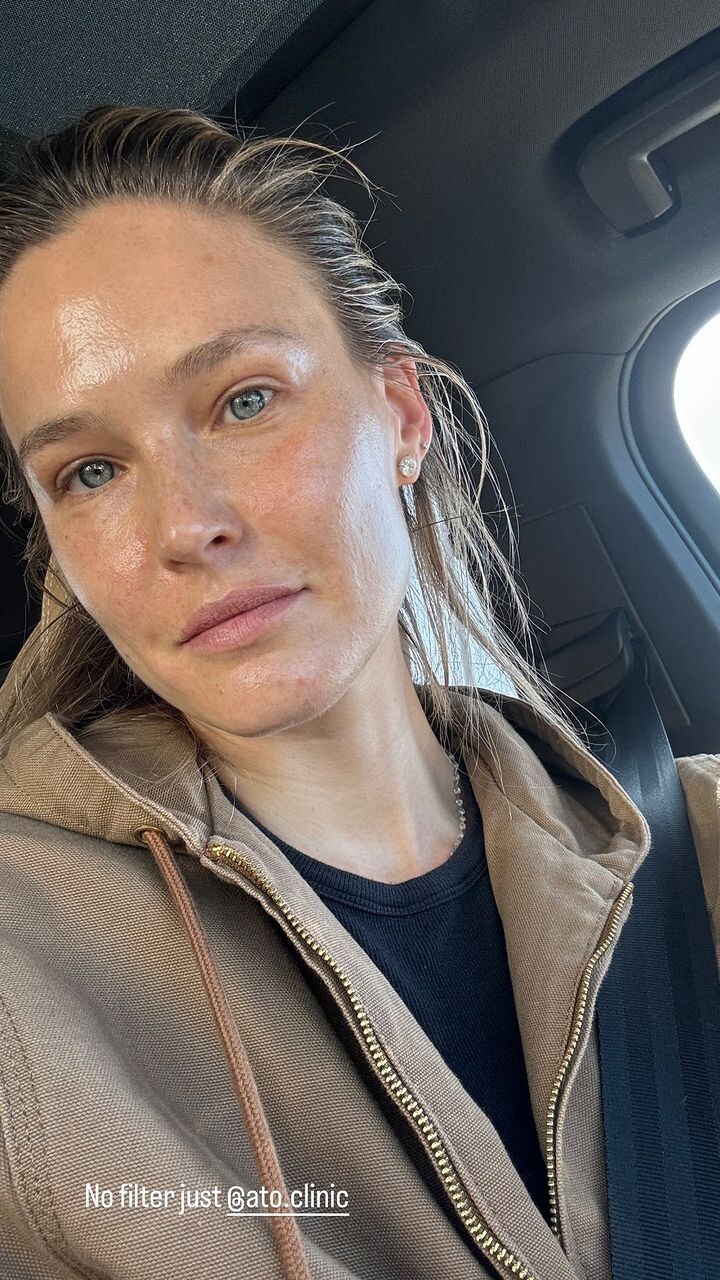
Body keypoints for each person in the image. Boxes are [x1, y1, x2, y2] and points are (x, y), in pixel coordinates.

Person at [0, 105, 716, 1280]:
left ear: (401, 415)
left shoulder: (702, 838)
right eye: (89, 470)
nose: (183, 526)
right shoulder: (24, 969)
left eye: (244, 399)